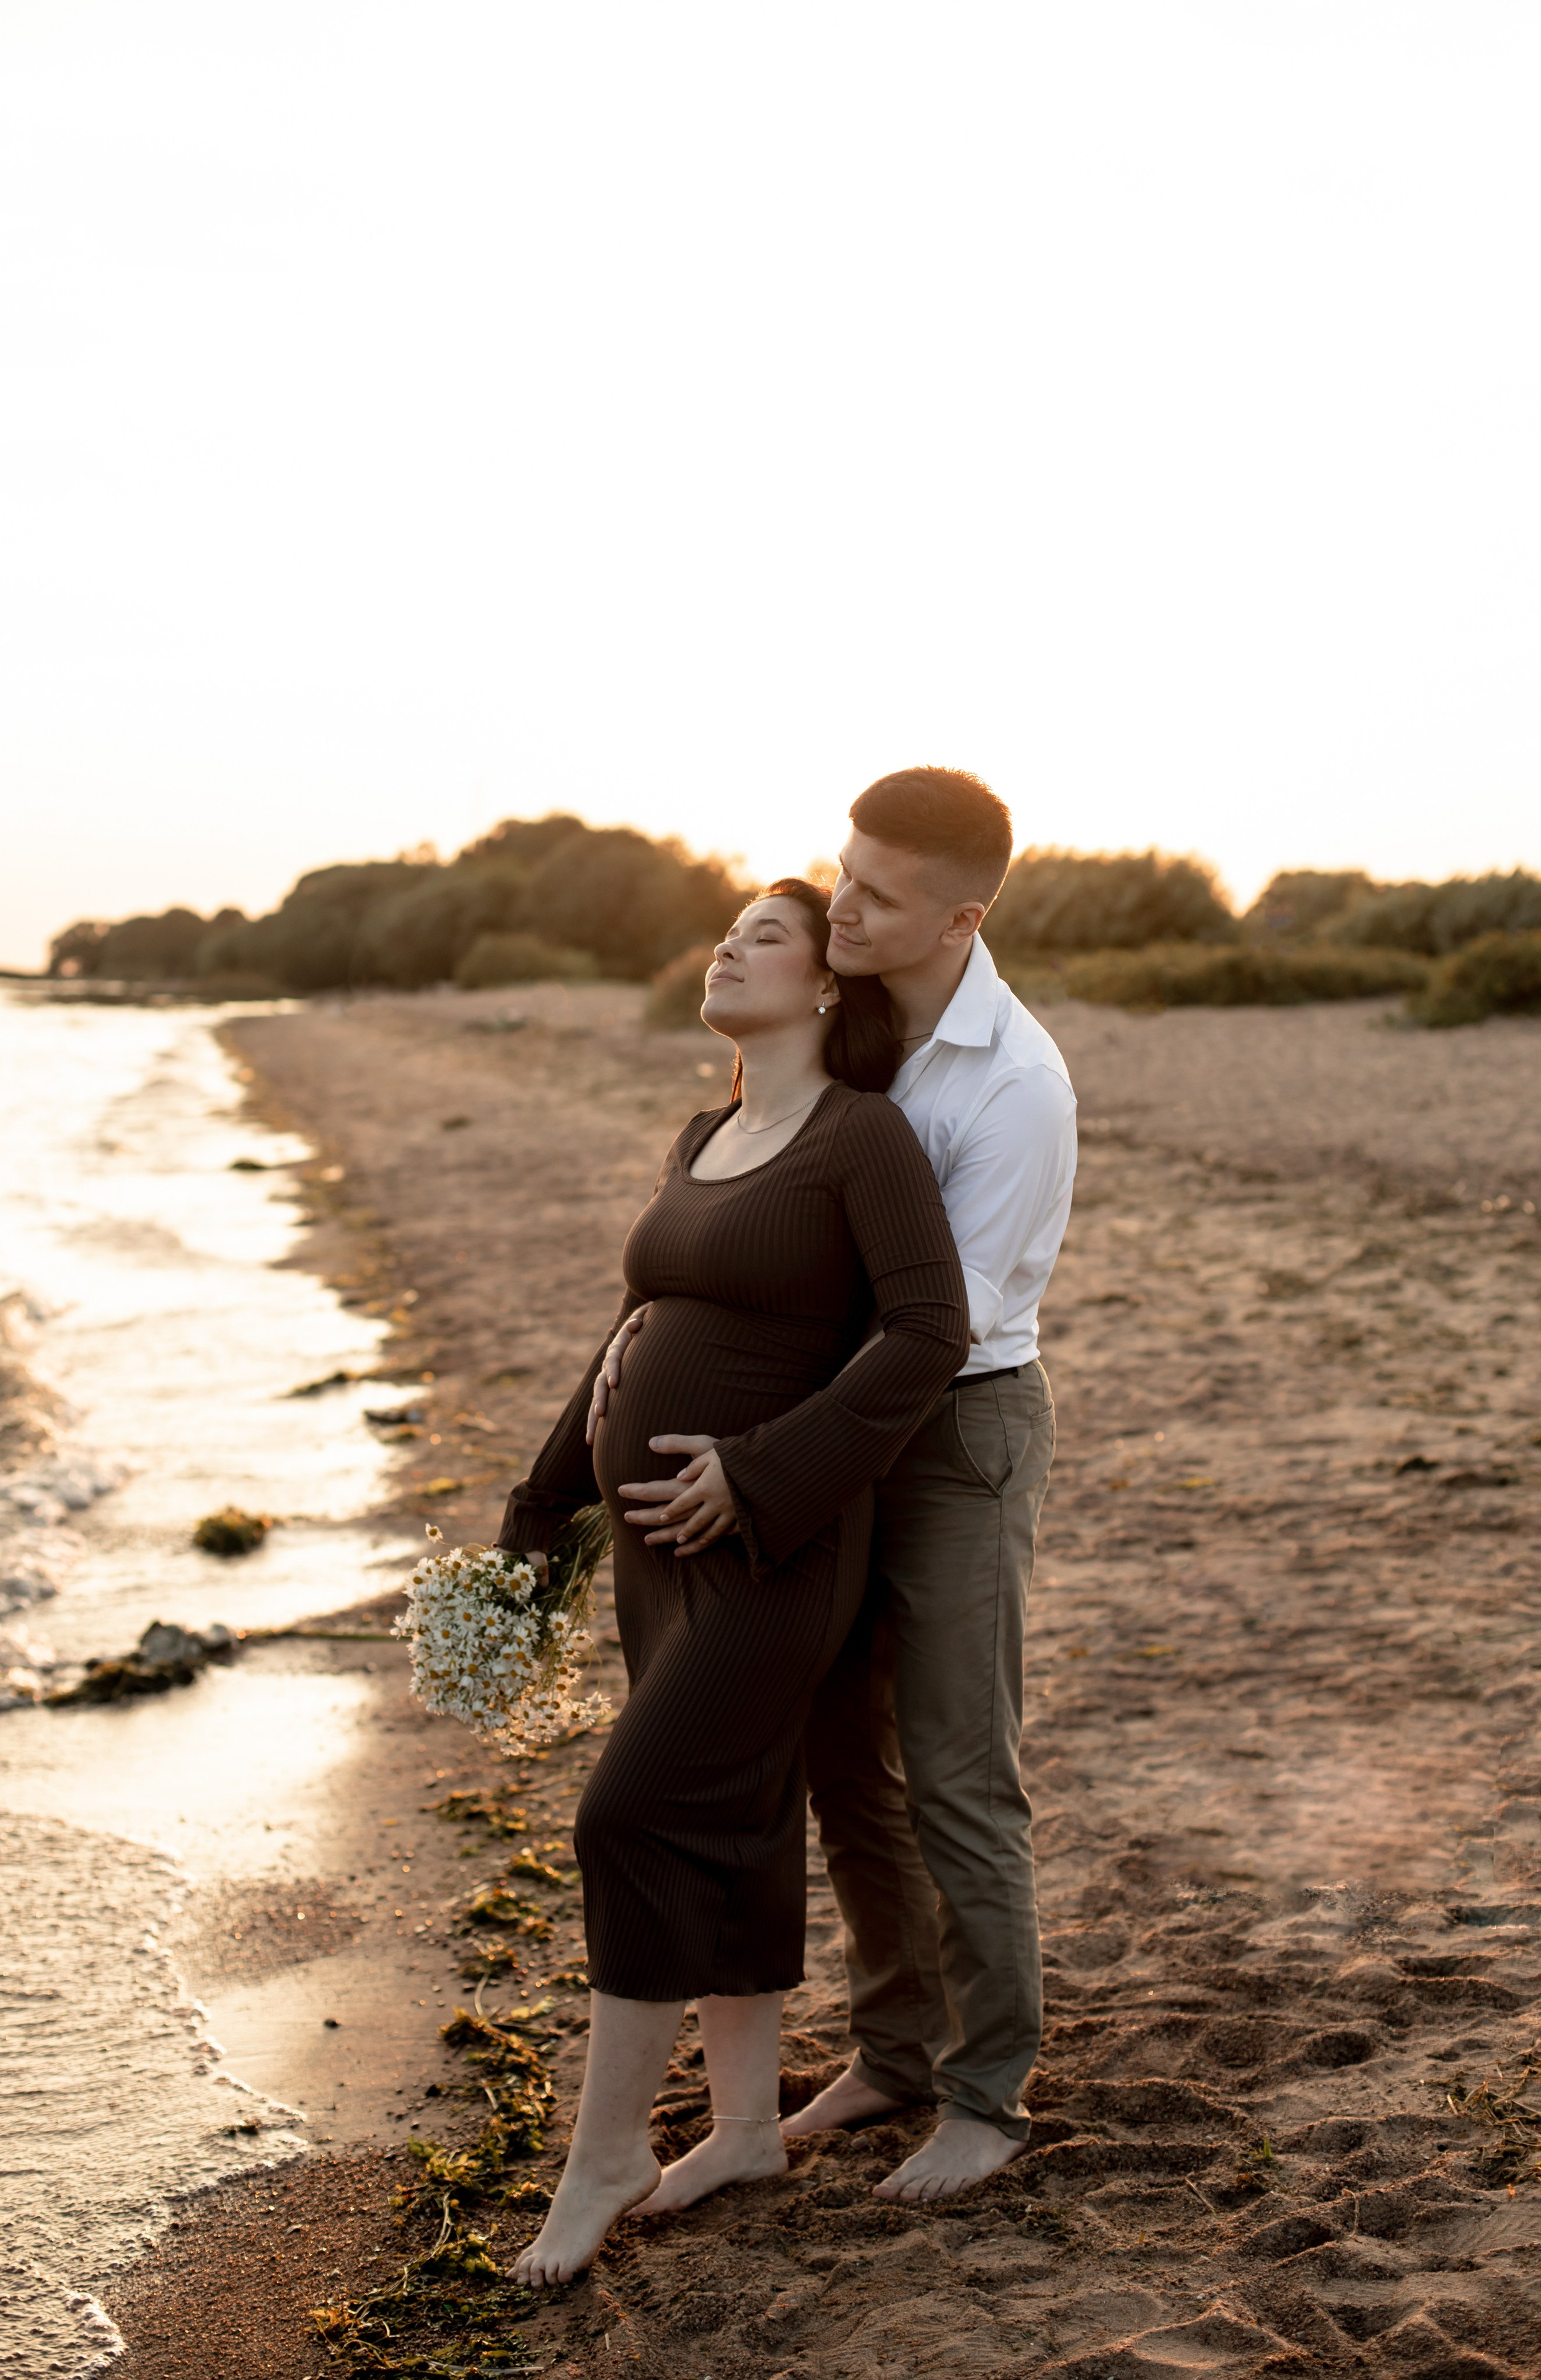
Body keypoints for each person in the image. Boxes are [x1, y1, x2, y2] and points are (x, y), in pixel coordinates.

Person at [596, 769, 1076, 2205]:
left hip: (954, 1438)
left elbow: (940, 1327)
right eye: (840, 873)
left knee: (953, 1764)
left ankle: (985, 2098)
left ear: (959, 918)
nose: (842, 904)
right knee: (832, 1756)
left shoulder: (1012, 1083)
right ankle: (894, 2052)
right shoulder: (853, 1033)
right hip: (826, 1426)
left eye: (874, 894)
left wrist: (764, 1457)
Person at [497, 878, 969, 2286]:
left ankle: (604, 2158)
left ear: (827, 986)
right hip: (654, 1548)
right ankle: (746, 2126)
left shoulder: (860, 1137)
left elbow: (928, 1329)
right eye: (724, 933)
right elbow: (632, 1325)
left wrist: (757, 1473)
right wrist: (539, 1508)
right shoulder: (706, 1131)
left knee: (629, 1815)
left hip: (774, 1545)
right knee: (741, 1815)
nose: (727, 950)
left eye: (764, 936)